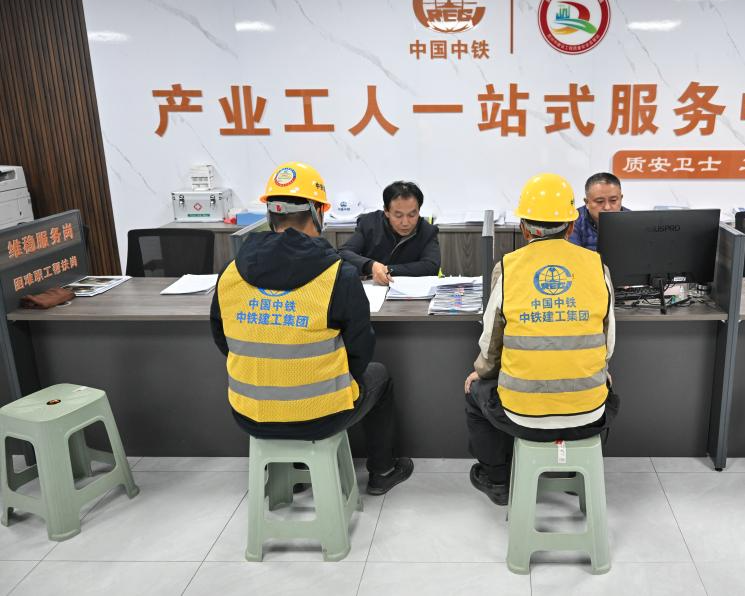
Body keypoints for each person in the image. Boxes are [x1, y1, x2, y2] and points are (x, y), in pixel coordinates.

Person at [210, 162, 413, 495]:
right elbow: (360, 350)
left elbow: (223, 340)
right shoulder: (337, 274)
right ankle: (383, 471)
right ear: (318, 212)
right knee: (379, 376)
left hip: (249, 413)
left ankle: (293, 472)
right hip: (320, 415)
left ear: (270, 213)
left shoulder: (230, 271)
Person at [463, 173, 620, 505]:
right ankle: (576, 475)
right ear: (571, 226)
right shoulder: (598, 267)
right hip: (589, 414)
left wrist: (481, 372)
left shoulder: (508, 268)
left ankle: (497, 480)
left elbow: (490, 342)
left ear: (524, 228)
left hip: (521, 415)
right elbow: (608, 343)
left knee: (476, 392)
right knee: (607, 391)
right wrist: (601, 370)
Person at [339, 181, 441, 285]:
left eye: (412, 215)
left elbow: (431, 266)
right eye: (398, 215)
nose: (405, 223)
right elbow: (343, 253)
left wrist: (386, 269)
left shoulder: (427, 231)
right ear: (386, 211)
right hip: (373, 289)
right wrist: (371, 266)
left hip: (409, 289)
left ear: (419, 211)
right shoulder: (369, 223)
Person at [568, 172, 630, 251]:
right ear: (587, 202)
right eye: (600, 201)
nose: (607, 207)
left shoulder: (633, 221)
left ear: (621, 199)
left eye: (613, 200)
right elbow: (572, 255)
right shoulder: (573, 221)